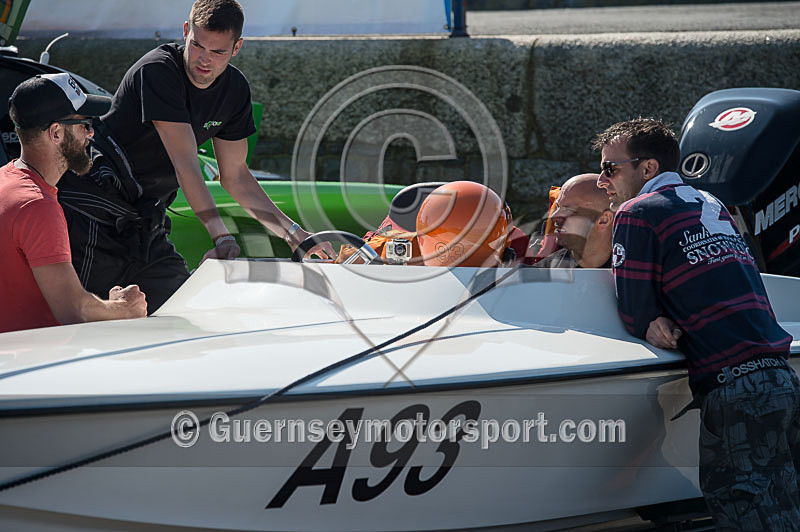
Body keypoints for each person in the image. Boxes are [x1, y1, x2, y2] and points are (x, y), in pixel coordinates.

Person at [593, 117, 799, 530]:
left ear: (647, 169)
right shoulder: (709, 202)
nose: (602, 181)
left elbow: (634, 312)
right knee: (783, 506)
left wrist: (652, 319)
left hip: (733, 386)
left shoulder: (636, 212)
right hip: (782, 378)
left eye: (610, 168)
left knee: (743, 509)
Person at [58, 0, 326, 314]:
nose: (204, 60)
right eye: (197, 45)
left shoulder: (235, 91)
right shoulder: (157, 70)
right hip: (91, 210)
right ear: (186, 31)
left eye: (217, 52)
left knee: (182, 314)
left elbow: (235, 175)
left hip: (145, 221)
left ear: (237, 48)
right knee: (87, 320)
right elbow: (185, 162)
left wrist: (296, 236)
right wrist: (220, 234)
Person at [0, 74, 147, 333]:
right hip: (36, 363)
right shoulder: (37, 206)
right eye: (83, 124)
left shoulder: (6, 181)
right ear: (56, 133)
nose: (91, 133)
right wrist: (123, 308)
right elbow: (74, 311)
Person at [536, 173, 612, 268]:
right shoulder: (542, 274)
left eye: (569, 210)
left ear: (604, 220)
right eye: (558, 207)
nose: (554, 216)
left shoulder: (632, 271)